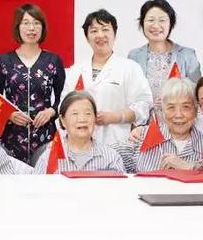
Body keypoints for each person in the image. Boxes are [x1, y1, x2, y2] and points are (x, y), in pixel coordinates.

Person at [0, 4, 65, 165]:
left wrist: (51, 111)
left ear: (43, 28)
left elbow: (64, 99)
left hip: (45, 138)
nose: (32, 28)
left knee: (45, 177)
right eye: (26, 23)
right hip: (11, 138)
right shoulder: (4, 61)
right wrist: (9, 114)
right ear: (18, 27)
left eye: (36, 23)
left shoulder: (53, 61)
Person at [64, 9, 152, 146]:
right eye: (94, 31)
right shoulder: (75, 70)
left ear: (114, 34)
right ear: (87, 37)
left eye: (105, 29)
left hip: (117, 142)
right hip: (79, 144)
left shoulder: (130, 68)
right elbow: (64, 106)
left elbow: (144, 105)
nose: (100, 35)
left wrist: (115, 117)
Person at [115, 78, 203, 174]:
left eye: (186, 107)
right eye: (171, 107)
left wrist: (190, 167)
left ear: (196, 110)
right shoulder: (142, 136)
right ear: (162, 110)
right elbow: (107, 155)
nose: (178, 115)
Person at [127, 0, 201, 113]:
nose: (156, 25)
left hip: (178, 119)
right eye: (150, 20)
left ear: (170, 23)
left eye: (162, 20)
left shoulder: (187, 55)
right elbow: (131, 95)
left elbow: (197, 93)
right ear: (142, 23)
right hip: (144, 121)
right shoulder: (134, 56)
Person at [34, 91, 125, 174]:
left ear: (95, 118)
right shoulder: (48, 157)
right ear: (63, 120)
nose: (82, 119)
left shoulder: (111, 158)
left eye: (88, 113)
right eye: (75, 114)